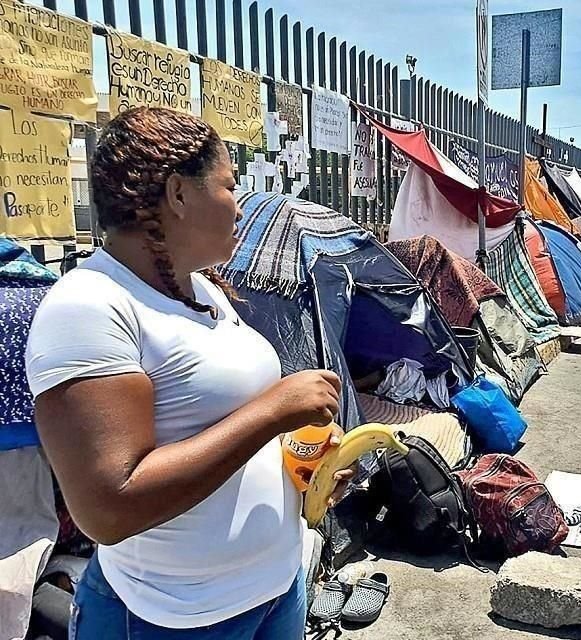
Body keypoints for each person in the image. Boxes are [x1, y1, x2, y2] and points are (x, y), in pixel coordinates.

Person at [25, 107, 355, 638]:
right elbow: (109, 506)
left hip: (275, 590)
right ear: (179, 194)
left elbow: (214, 422)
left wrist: (300, 456)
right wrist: (273, 413)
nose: (241, 207)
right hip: (171, 617)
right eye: (229, 186)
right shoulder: (88, 307)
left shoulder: (201, 291)